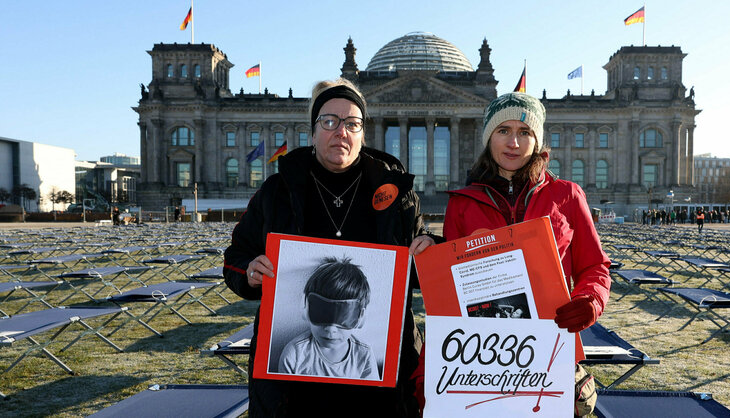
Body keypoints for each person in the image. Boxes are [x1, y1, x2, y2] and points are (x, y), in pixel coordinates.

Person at [223, 78, 437, 417]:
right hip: (296, 393)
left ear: (363, 132)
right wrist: (250, 272)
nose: (341, 131)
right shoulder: (277, 191)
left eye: (352, 123)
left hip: (381, 386)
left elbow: (418, 269)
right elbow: (235, 257)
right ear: (312, 132)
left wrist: (430, 252)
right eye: (329, 121)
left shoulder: (397, 194)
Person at [417, 92, 611, 413]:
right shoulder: (462, 203)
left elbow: (595, 266)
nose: (514, 143)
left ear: (537, 139)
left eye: (524, 132)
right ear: (488, 137)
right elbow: (454, 293)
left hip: (548, 348)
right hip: (483, 353)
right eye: (503, 131)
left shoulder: (567, 195)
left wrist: (590, 299)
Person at [276, 257, 378, 380]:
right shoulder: (294, 355)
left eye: (344, 316)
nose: (330, 329)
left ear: (360, 317)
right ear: (306, 308)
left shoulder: (364, 355)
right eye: (322, 312)